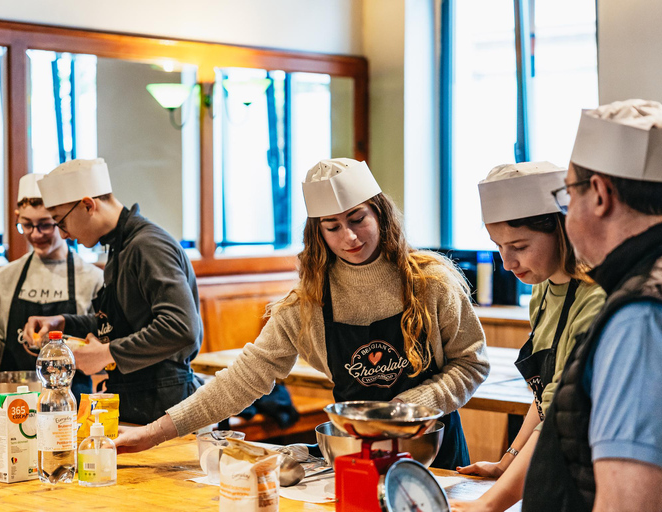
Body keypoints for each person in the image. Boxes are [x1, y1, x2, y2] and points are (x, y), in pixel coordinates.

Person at [114, 157, 490, 469]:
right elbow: (245, 378)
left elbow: (471, 364)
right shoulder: (307, 302)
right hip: (351, 452)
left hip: (432, 451)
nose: (350, 237)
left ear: (380, 213)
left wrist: (407, 408)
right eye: (333, 227)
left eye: (358, 219)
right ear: (318, 233)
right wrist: (155, 431)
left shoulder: (432, 283)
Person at [522, 99, 662, 511]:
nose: (566, 209)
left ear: (600, 195)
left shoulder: (647, 314)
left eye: (566, 194)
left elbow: (627, 502)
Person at [450, 162, 605, 511]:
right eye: (498, 245)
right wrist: (507, 462)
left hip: (594, 474)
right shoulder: (543, 290)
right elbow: (543, 395)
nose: (507, 262)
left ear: (562, 230)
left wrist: (491, 504)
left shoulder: (596, 299)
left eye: (519, 245)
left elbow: (559, 415)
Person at [23, 158, 204, 425]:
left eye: (61, 222)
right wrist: (62, 322)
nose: (64, 235)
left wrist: (107, 354)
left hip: (165, 405)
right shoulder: (119, 249)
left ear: (88, 205)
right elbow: (119, 324)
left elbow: (181, 327)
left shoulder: (147, 245)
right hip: (136, 401)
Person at [0, 173, 103, 401]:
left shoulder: (92, 278)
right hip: (14, 406)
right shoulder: (4, 278)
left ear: (61, 220)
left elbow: (102, 363)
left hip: (70, 408)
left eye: (45, 225)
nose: (35, 234)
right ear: (17, 217)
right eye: (26, 225)